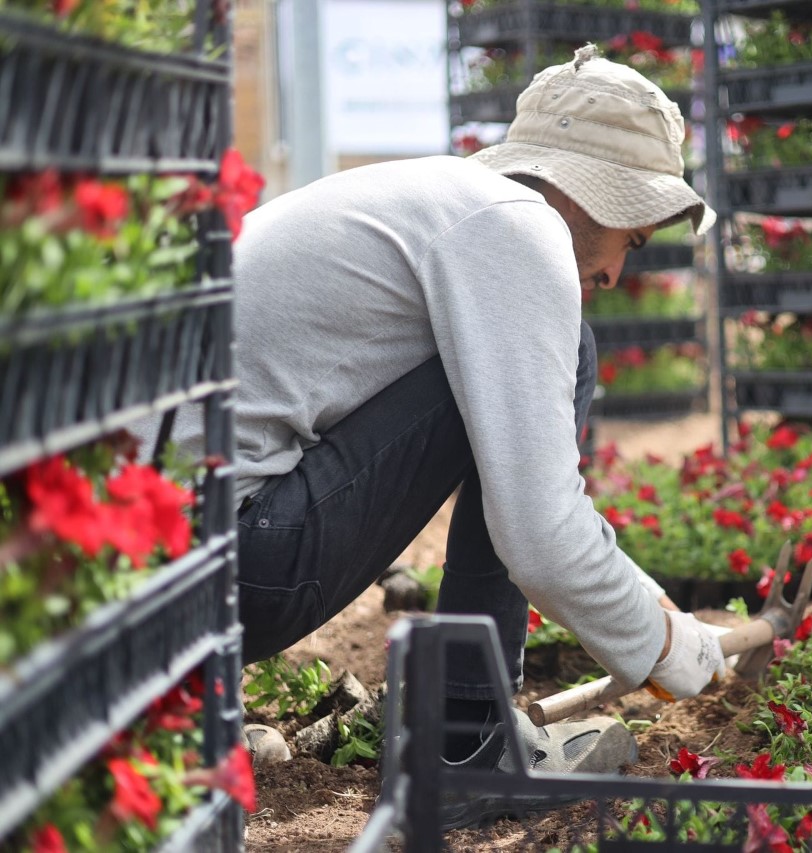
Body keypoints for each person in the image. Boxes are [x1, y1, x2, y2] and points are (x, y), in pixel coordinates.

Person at [153, 45, 729, 828]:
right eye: (633, 237)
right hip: (237, 569)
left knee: (522, 372)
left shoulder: (439, 198)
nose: (617, 274)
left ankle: (185, 711)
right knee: (571, 359)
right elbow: (541, 533)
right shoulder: (518, 231)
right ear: (591, 191)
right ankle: (468, 743)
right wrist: (665, 643)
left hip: (154, 578)